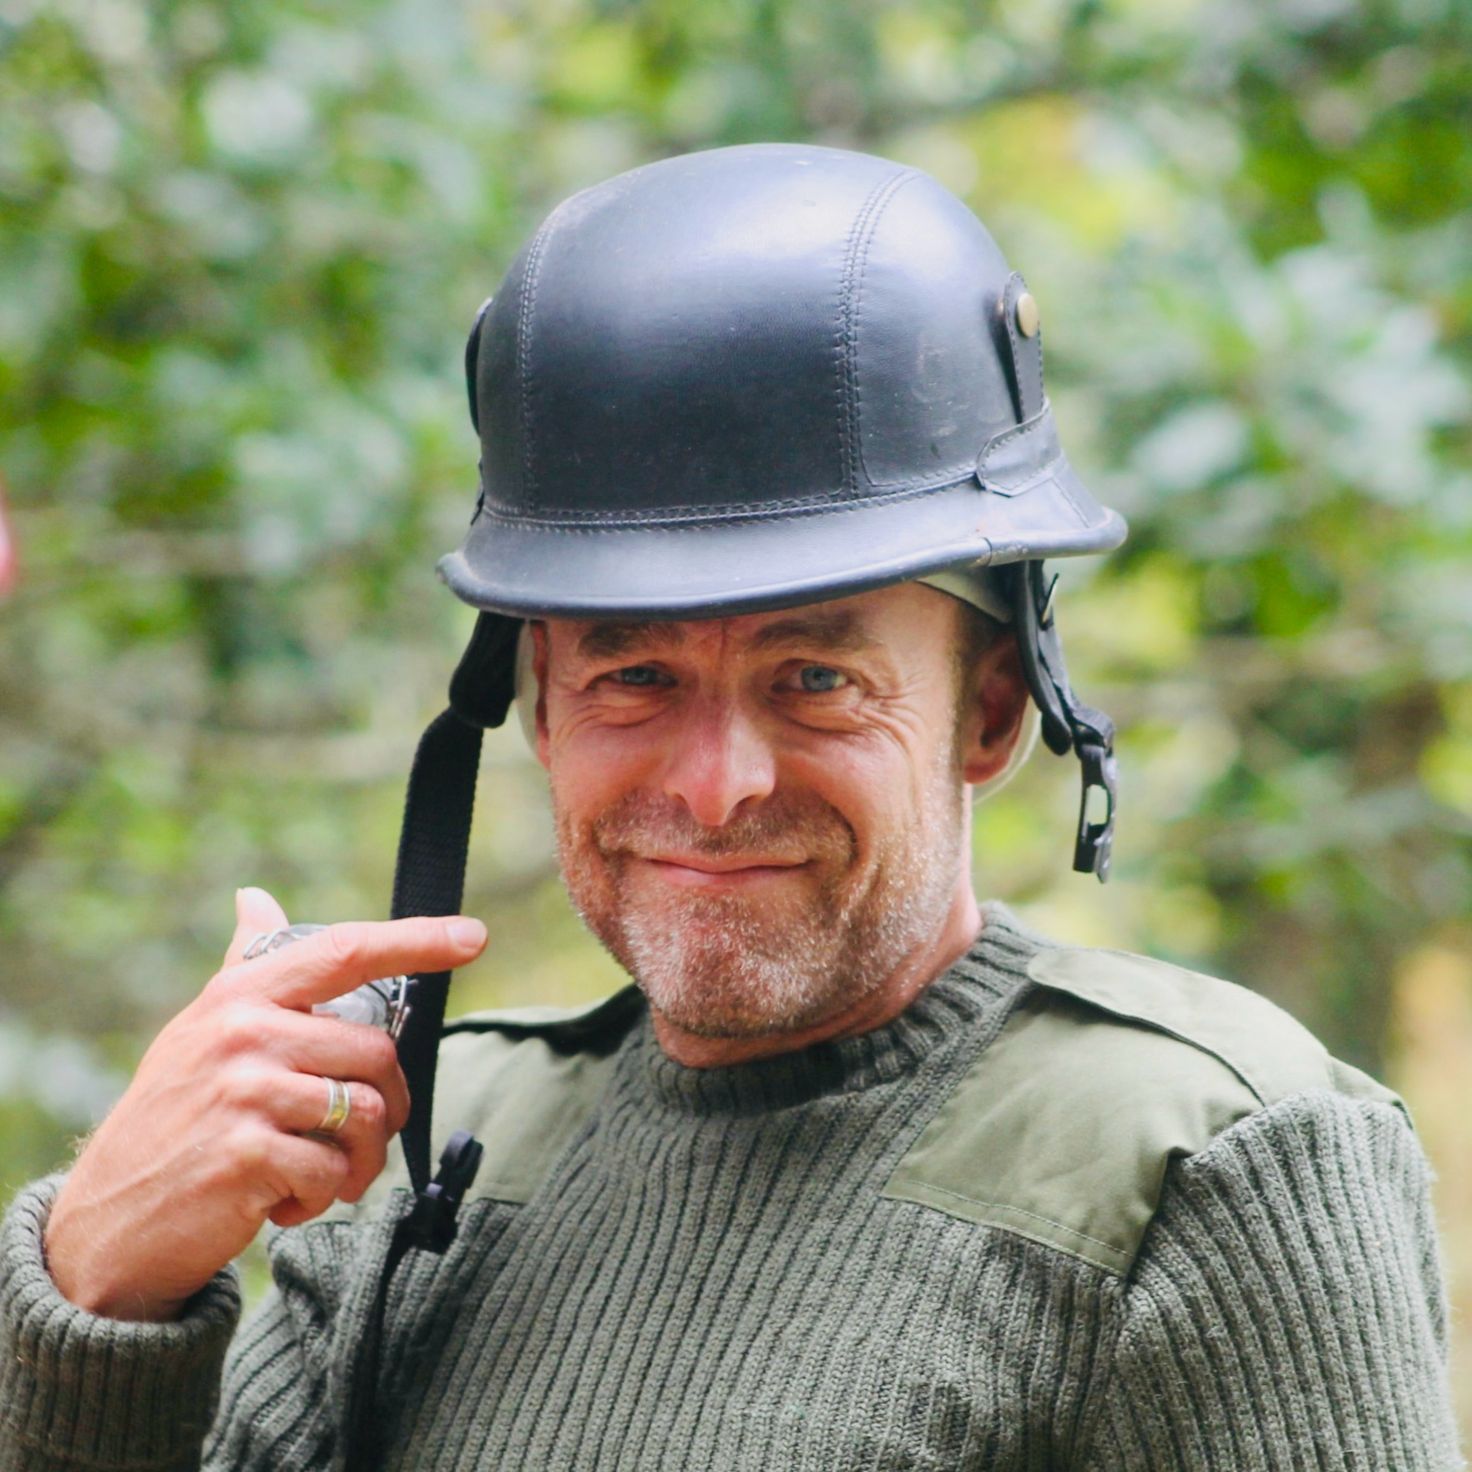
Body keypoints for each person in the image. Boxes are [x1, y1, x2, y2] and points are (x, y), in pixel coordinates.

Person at [0, 144, 1461, 1471]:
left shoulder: (1201, 1160)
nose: (716, 785)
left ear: (993, 713)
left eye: (815, 678)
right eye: (634, 675)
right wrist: (102, 1286)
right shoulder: (432, 1161)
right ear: (543, 707)